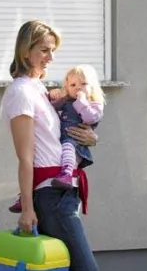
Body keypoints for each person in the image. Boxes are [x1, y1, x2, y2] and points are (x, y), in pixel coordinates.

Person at [2, 20, 100, 271]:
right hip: (49, 196)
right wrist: (27, 208)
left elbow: (67, 136)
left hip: (62, 192)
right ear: (25, 50)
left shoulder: (42, 91)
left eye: (52, 50)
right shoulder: (21, 93)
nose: (50, 56)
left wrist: (91, 139)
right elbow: (26, 156)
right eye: (44, 49)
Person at [8, 64, 105, 210]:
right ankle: (25, 198)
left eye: (83, 84)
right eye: (73, 85)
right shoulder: (66, 100)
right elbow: (50, 107)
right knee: (39, 160)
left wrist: (81, 100)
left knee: (67, 147)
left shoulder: (93, 104)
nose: (78, 88)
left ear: (93, 86)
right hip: (57, 146)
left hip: (75, 143)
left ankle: (66, 174)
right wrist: (54, 95)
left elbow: (91, 118)